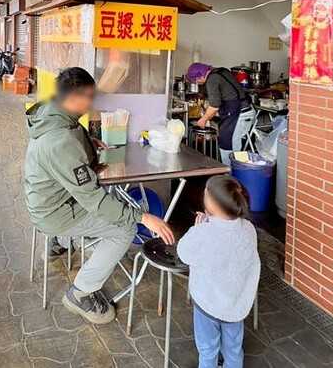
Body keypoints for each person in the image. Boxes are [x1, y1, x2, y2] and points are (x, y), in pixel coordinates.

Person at [23, 67, 174, 325]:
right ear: (75, 97)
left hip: (45, 200)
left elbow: (68, 152)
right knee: (125, 227)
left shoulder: (51, 114)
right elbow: (92, 199)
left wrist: (88, 147)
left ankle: (61, 241)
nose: (92, 102)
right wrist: (142, 216)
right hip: (55, 212)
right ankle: (81, 292)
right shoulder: (60, 141)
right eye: (89, 96)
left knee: (107, 202)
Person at [177, 175, 260, 368]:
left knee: (207, 350)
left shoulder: (204, 233)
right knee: (233, 349)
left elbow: (184, 253)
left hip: (208, 305)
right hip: (236, 306)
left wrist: (197, 229)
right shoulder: (249, 229)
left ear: (213, 204)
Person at [187, 63, 256, 165]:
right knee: (235, 144)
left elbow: (214, 106)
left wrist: (203, 119)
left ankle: (232, 174)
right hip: (245, 111)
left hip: (239, 114)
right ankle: (237, 172)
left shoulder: (212, 80)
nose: (197, 82)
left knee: (228, 145)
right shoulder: (221, 71)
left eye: (196, 79)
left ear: (200, 75)